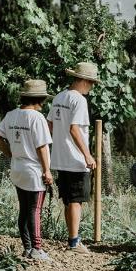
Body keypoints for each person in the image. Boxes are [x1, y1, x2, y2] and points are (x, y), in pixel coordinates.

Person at [0, 78, 54, 261]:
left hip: (17, 168)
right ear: (40, 99)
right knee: (35, 210)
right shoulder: (37, 118)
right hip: (33, 170)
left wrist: (10, 153)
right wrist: (47, 170)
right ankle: (37, 248)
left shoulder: (11, 115)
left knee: (24, 209)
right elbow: (42, 147)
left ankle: (27, 248)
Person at [47, 62, 99, 253]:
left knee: (69, 201)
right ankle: (74, 242)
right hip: (76, 160)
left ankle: (72, 239)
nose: (92, 86)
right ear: (84, 81)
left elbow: (50, 124)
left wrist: (58, 143)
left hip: (60, 157)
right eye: (91, 83)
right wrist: (88, 155)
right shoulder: (79, 100)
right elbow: (75, 129)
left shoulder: (59, 97)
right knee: (76, 201)